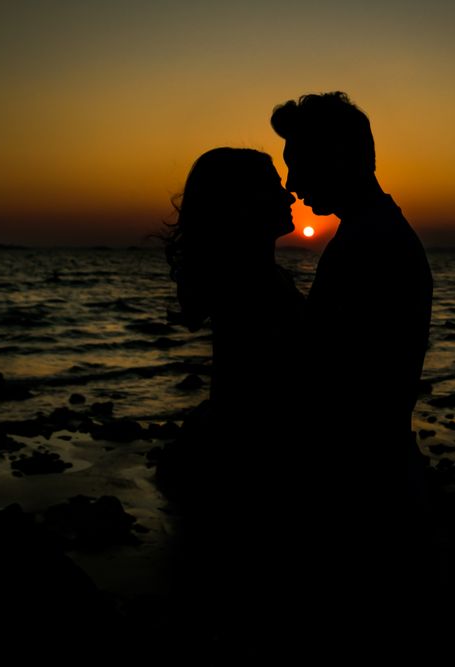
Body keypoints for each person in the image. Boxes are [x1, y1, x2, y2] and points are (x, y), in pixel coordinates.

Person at [271, 91, 436, 655]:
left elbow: (335, 380)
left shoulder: (371, 243)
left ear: (339, 156)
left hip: (366, 493)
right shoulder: (372, 234)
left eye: (297, 161)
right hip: (378, 477)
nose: (291, 182)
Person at [159, 147, 306, 659]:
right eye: (271, 185)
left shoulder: (255, 274)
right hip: (250, 466)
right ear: (241, 204)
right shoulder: (250, 281)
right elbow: (262, 390)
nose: (287, 192)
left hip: (238, 450)